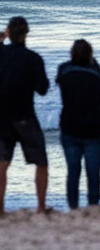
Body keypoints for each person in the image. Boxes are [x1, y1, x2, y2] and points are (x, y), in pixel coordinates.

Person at [55, 39, 100, 209]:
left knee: (73, 171)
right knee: (93, 173)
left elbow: (59, 82)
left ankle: (73, 208)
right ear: (90, 54)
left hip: (69, 126)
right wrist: (95, 65)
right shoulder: (97, 73)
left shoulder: (64, 70)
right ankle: (93, 207)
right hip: (94, 128)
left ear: (72, 53)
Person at [0, 16, 50, 214]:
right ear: (26, 33)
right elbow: (43, 89)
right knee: (41, 161)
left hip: (1, 115)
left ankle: (1, 207)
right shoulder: (33, 58)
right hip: (24, 114)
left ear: (9, 33)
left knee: (2, 162)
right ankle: (40, 206)